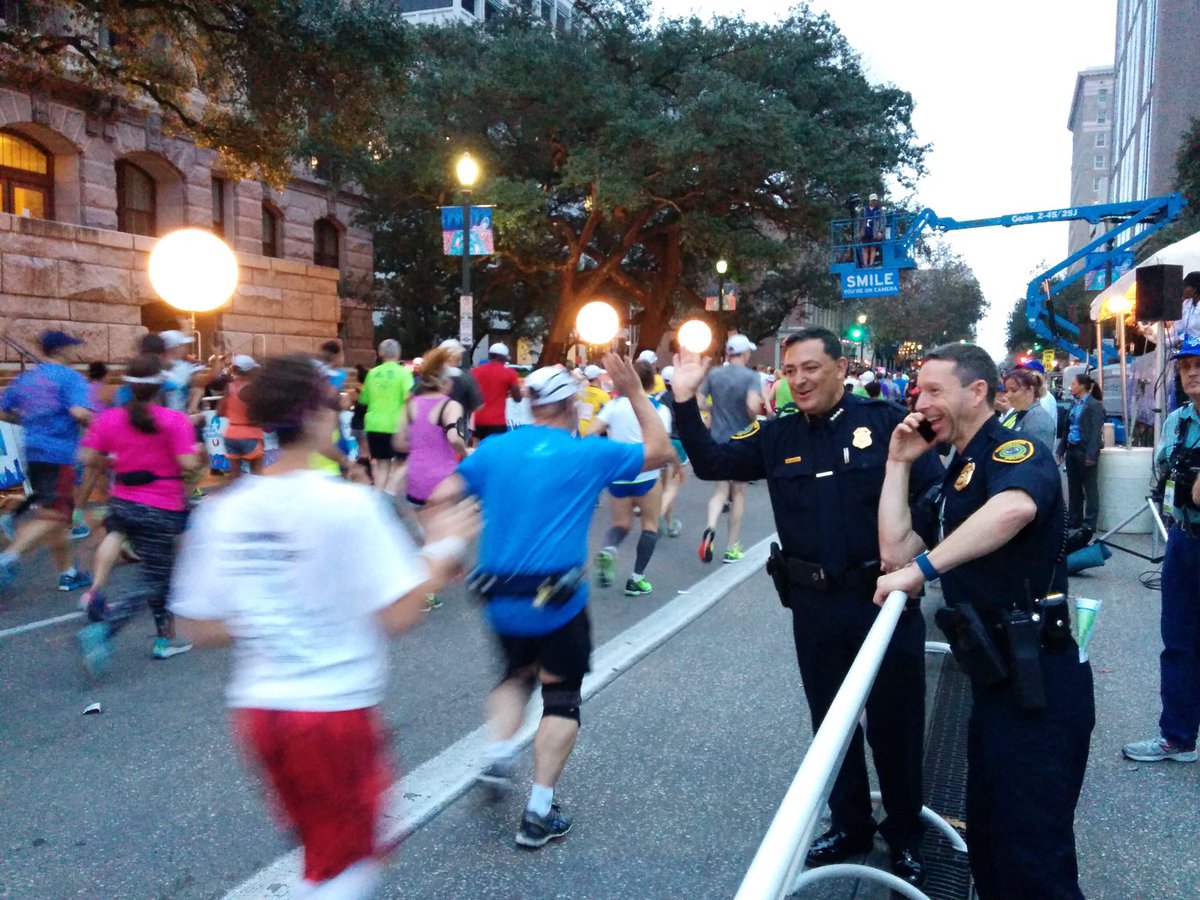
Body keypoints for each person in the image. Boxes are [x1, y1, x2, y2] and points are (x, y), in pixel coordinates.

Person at [167, 354, 477, 897]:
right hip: (332, 712)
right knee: (349, 865)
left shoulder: (224, 510)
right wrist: (445, 546)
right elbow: (401, 613)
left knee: (323, 848)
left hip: (260, 711)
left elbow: (193, 624)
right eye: (332, 405)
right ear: (314, 416)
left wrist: (273, 611)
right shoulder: (348, 506)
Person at [671, 327, 941, 888]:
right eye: (790, 371)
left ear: (842, 367)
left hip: (881, 599)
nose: (799, 380)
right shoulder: (776, 436)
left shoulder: (886, 422)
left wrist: (915, 562)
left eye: (811, 368)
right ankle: (850, 824)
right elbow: (710, 462)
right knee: (831, 724)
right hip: (813, 605)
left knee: (897, 723)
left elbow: (933, 496)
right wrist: (681, 400)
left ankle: (906, 833)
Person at [874, 342, 1094, 900]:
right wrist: (897, 464)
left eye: (932, 390)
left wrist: (922, 569)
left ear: (977, 392)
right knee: (990, 841)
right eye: (917, 389)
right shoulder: (959, 470)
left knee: (1033, 855)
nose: (918, 402)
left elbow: (1015, 509)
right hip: (995, 677)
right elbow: (894, 550)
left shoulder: (1015, 449)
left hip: (1038, 678)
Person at [430, 356, 671, 849]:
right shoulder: (588, 454)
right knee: (560, 695)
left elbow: (441, 494)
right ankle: (538, 813)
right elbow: (661, 450)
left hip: (497, 591)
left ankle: (498, 754)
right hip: (556, 596)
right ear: (570, 404)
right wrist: (634, 393)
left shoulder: (494, 450)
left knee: (514, 676)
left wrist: (447, 551)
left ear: (531, 404)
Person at [75, 354, 201, 671]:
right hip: (161, 506)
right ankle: (105, 629)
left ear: (128, 386)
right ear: (161, 385)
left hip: (123, 502)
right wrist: (198, 455)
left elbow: (87, 457)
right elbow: (188, 465)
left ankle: (164, 640)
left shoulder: (108, 419)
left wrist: (120, 462)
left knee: (157, 575)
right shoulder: (175, 420)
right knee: (155, 580)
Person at [1122, 334, 1200, 764]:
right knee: (1178, 642)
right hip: (1185, 543)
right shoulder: (1177, 422)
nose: (1192, 372)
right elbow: (1168, 478)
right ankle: (1178, 736)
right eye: (1186, 365)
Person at [0, 330, 93, 593]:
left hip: (33, 452)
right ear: (61, 349)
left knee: (55, 516)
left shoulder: (26, 378)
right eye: (73, 347)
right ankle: (7, 557)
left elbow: (4, 408)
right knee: (55, 516)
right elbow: (79, 412)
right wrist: (99, 425)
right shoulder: (71, 378)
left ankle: (68, 573)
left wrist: (31, 422)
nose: (77, 352)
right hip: (60, 454)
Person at [392, 347, 469, 610]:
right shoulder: (451, 406)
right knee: (444, 532)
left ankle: (448, 567)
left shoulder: (411, 405)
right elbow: (455, 437)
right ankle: (427, 585)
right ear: (446, 383)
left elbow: (399, 441)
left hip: (416, 474)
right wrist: (465, 450)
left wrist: (421, 444)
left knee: (429, 530)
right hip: (443, 477)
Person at [589, 360, 673, 596]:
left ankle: (609, 549)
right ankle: (636, 578)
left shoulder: (614, 405)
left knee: (621, 524)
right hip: (647, 473)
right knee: (650, 526)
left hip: (618, 475)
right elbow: (662, 443)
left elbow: (590, 432)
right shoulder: (660, 409)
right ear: (651, 381)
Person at [697, 334, 763, 564]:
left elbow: (698, 399)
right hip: (741, 441)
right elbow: (752, 406)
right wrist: (754, 419)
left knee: (719, 492)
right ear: (744, 353)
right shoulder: (751, 377)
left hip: (717, 440)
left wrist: (712, 409)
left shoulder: (714, 374)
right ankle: (731, 546)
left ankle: (710, 526)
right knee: (739, 494)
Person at [359, 339, 414, 494]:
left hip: (374, 424)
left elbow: (364, 399)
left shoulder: (372, 374)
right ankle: (392, 496)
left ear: (380, 353)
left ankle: (378, 499)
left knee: (382, 466)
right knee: (401, 464)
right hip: (397, 426)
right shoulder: (403, 373)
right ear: (398, 353)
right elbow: (409, 398)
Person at [1057, 372, 1104, 545]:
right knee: (1074, 486)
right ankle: (1074, 519)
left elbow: (1095, 432)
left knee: (1090, 487)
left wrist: (1091, 454)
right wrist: (1062, 448)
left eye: (1074, 383)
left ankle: (1090, 522)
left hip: (1085, 451)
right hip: (1072, 449)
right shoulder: (1074, 404)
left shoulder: (1093, 405)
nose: (1071, 387)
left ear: (1082, 385)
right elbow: (1067, 427)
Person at [220, 355, 264, 481]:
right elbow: (257, 413)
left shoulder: (229, 387)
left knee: (234, 476)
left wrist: (234, 413)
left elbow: (219, 411)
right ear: (251, 371)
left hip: (231, 433)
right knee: (256, 476)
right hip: (251, 434)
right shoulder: (253, 389)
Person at [657, 365, 687, 537]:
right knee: (672, 486)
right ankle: (660, 516)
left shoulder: (660, 398)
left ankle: (670, 524)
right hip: (678, 442)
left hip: (663, 441)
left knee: (663, 486)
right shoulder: (682, 398)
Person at [472, 343, 522, 442]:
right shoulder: (510, 373)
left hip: (478, 419)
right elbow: (517, 398)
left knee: (477, 449)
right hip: (497, 421)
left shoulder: (475, 372)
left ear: (490, 356)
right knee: (496, 450)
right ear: (504, 358)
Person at [1003, 367, 1056, 452]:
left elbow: (1038, 458)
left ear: (1030, 390)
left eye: (1013, 390)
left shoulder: (1038, 419)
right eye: (1006, 390)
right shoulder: (1018, 413)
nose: (1007, 395)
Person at [438, 338, 481, 436]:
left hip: (433, 426)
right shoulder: (465, 378)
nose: (460, 357)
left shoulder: (429, 376)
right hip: (458, 426)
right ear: (452, 357)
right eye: (459, 354)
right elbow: (478, 405)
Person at [577, 365, 610, 435]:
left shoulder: (581, 392)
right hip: (595, 433)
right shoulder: (603, 395)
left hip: (580, 432)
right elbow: (608, 419)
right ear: (598, 377)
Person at [859, 192, 883, 267]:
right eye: (872, 200)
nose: (874, 202)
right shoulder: (863, 210)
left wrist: (880, 231)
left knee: (873, 248)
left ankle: (871, 264)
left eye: (875, 200)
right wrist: (859, 231)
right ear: (869, 201)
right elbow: (859, 221)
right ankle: (865, 265)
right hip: (865, 231)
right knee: (865, 248)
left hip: (874, 232)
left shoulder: (879, 211)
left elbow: (883, 221)